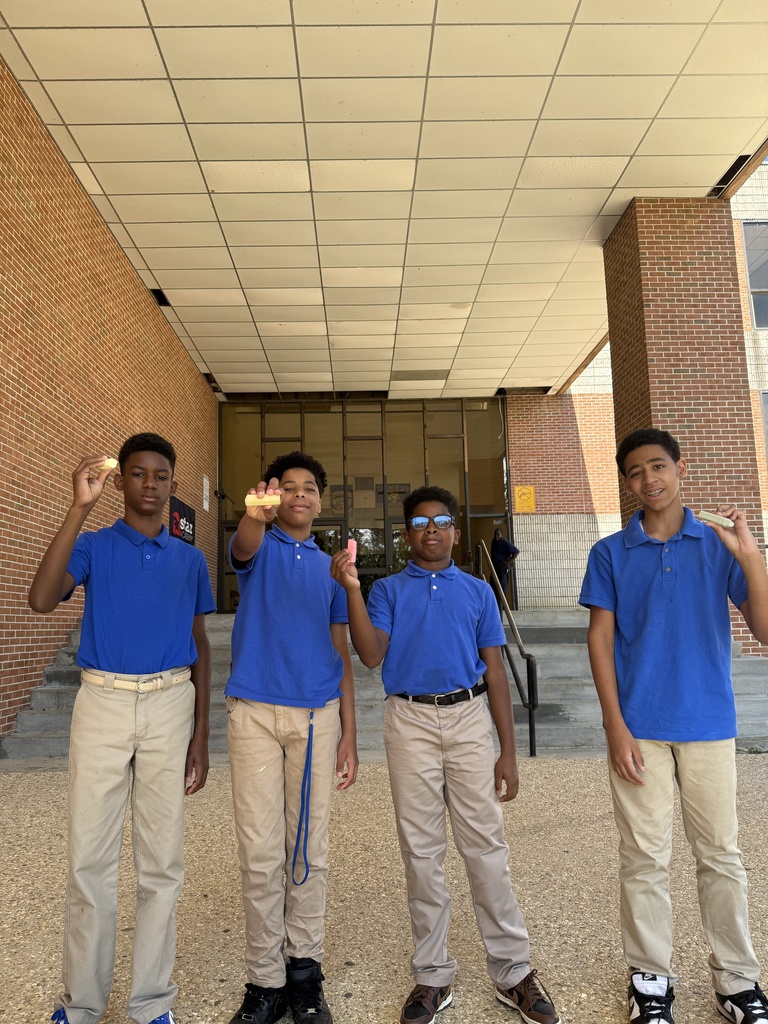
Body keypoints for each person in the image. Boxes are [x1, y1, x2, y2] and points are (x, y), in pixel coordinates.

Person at [331, 486, 560, 1024]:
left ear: (456, 531)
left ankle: (513, 970)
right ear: (406, 534)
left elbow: (497, 671)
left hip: (468, 718)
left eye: (441, 520)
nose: (430, 529)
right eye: (419, 522)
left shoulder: (479, 591)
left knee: (486, 848)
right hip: (408, 718)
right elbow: (369, 655)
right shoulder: (386, 589)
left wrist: (508, 750)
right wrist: (352, 590)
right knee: (422, 852)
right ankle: (432, 974)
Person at [579, 428, 768, 1024]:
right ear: (626, 482)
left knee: (720, 855)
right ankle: (651, 981)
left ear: (680, 468)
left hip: (708, 722)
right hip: (639, 728)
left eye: (657, 466)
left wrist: (751, 557)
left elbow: (765, 631)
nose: (648, 479)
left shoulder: (718, 544)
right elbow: (600, 638)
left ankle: (737, 982)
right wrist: (614, 725)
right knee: (643, 857)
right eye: (635, 472)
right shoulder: (610, 552)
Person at [28, 433, 215, 1024]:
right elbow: (39, 599)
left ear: (172, 485)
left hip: (169, 702)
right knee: (89, 860)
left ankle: (152, 1003)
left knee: (161, 864)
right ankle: (81, 1003)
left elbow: (201, 646)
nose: (150, 484)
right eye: (138, 474)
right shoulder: (92, 546)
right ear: (122, 481)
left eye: (161, 475)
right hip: (103, 702)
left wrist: (201, 735)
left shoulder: (191, 559)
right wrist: (77, 505)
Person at [225, 452, 358, 1024]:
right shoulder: (258, 546)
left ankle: (305, 971)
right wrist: (256, 512)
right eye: (289, 488)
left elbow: (343, 649)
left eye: (309, 488)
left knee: (308, 850)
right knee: (260, 853)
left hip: (314, 716)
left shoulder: (332, 567)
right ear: (274, 496)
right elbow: (244, 545)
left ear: (321, 500)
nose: (299, 496)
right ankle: (265, 982)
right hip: (254, 710)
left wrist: (349, 732)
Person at [491, 528, 519, 608]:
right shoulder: (493, 542)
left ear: (501, 535)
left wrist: (508, 562)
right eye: (495, 535)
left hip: (502, 566)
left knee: (502, 586)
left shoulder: (505, 543)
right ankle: (495, 606)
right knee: (493, 585)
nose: (496, 537)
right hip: (495, 565)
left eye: (498, 535)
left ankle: (501, 606)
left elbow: (516, 552)